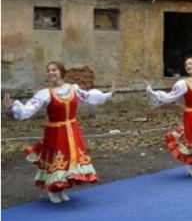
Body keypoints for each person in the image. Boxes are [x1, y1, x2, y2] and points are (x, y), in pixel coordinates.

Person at [2, 62, 114, 204]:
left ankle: (61, 189)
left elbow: (90, 98)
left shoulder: (74, 89)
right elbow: (28, 110)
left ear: (61, 72)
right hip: (55, 132)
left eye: (54, 70)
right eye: (48, 71)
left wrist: (109, 94)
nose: (51, 73)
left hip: (72, 131)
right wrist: (12, 106)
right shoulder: (45, 94)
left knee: (69, 159)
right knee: (57, 159)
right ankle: (52, 190)